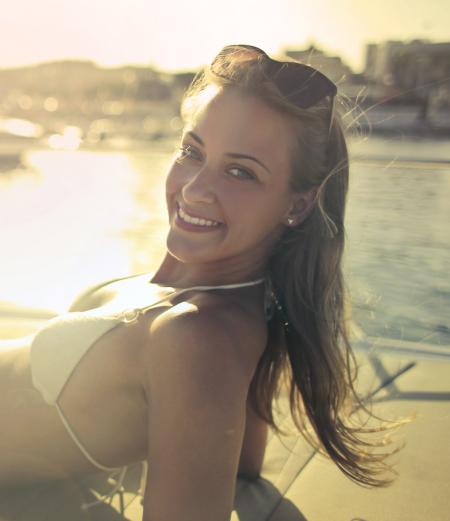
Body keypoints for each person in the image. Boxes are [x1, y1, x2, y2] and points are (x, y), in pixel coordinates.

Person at [0, 44, 397, 520]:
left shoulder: (197, 338)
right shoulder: (228, 311)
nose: (193, 189)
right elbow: (242, 463)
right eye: (192, 151)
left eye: (240, 172)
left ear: (298, 204)